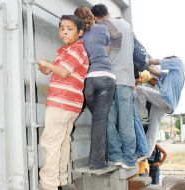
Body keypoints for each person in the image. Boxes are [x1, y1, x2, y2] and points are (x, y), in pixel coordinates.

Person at [37, 15, 89, 190]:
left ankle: (49, 185)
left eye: (69, 28)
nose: (64, 31)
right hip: (69, 104)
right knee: (62, 142)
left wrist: (47, 64)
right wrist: (48, 68)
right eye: (62, 28)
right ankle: (62, 180)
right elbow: (61, 71)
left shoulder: (76, 49)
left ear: (80, 32)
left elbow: (63, 72)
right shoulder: (66, 51)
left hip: (61, 103)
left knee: (50, 143)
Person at [91, 4, 137, 168]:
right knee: (126, 120)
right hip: (125, 79)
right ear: (108, 13)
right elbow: (132, 52)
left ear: (95, 17)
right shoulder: (126, 25)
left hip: (107, 79)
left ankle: (116, 156)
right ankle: (129, 159)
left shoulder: (98, 28)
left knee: (108, 120)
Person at [74, 6, 116, 169]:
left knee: (98, 119)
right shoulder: (102, 29)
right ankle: (97, 162)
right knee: (100, 120)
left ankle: (101, 158)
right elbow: (108, 50)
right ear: (92, 16)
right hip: (105, 77)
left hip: (87, 82)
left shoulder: (77, 34)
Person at [136, 56, 185, 155]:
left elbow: (154, 62)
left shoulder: (178, 61)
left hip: (165, 98)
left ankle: (143, 117)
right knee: (154, 126)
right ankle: (146, 153)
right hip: (169, 105)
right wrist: (146, 68)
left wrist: (139, 58)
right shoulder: (171, 74)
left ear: (172, 58)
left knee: (139, 89)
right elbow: (155, 72)